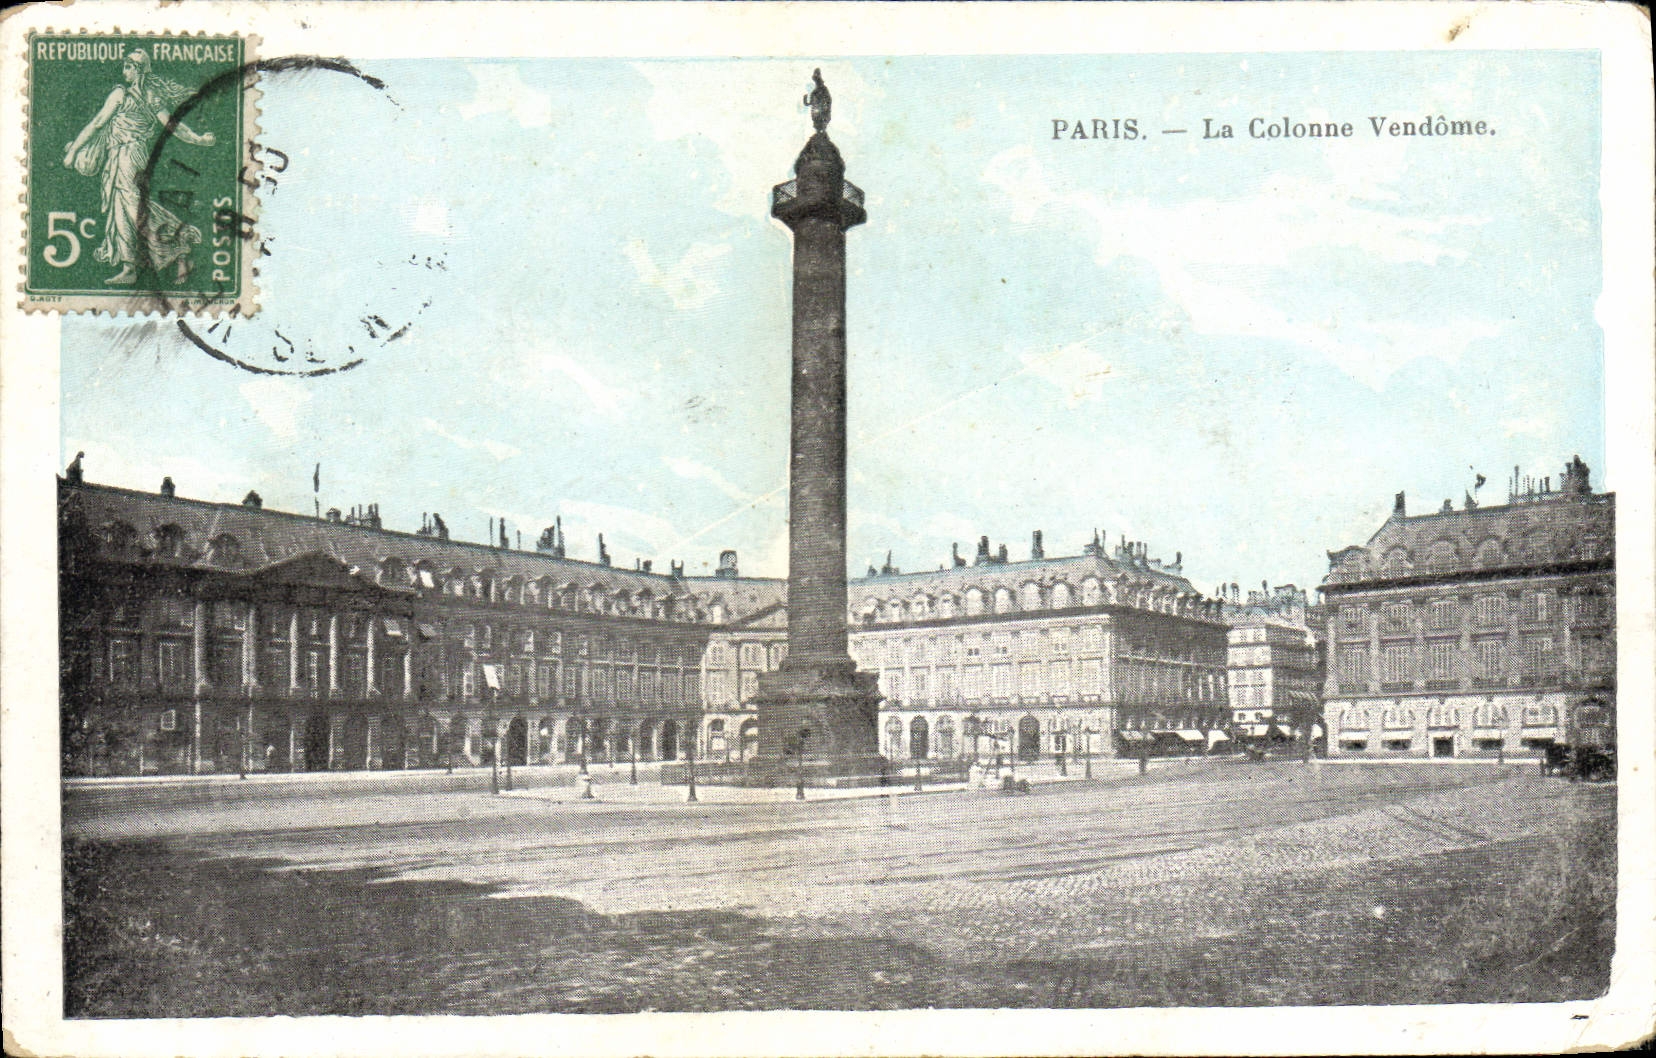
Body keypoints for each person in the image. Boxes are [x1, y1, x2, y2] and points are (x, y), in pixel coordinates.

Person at [62, 49, 215, 286]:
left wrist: (73, 152)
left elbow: (98, 123)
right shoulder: (151, 95)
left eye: (128, 66)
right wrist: (198, 139)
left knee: (132, 211)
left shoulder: (120, 94)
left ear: (136, 69)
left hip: (126, 156)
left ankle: (176, 248)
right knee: (127, 210)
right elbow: (173, 126)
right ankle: (136, 265)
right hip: (131, 156)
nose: (124, 71)